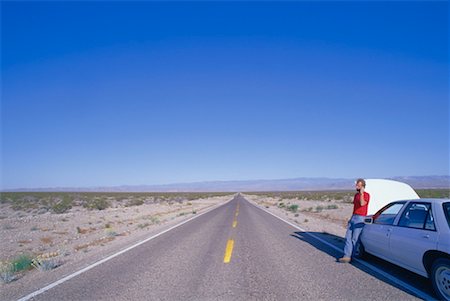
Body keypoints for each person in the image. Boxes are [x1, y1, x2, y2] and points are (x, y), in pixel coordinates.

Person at [339, 178, 370, 263]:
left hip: (361, 218)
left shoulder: (366, 195)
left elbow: (362, 203)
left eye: (358, 185)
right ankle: (346, 256)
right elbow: (355, 206)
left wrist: (362, 194)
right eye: (356, 185)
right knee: (348, 237)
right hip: (354, 216)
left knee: (355, 238)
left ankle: (351, 256)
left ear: (362, 186)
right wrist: (351, 218)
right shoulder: (356, 195)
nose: (356, 186)